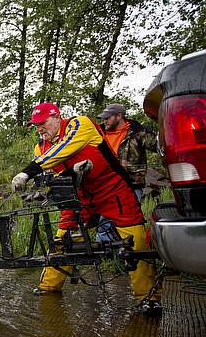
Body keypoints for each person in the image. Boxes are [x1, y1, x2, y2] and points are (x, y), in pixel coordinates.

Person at [11, 102, 162, 315]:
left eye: (42, 123)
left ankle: (149, 298)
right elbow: (54, 175)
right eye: (35, 125)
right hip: (78, 197)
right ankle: (48, 288)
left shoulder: (80, 125)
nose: (39, 129)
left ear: (56, 117)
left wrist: (27, 172)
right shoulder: (40, 147)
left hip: (112, 190)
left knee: (135, 242)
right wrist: (71, 173)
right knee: (61, 240)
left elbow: (63, 150)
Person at [96, 103, 158, 203]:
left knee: (132, 216)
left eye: (108, 118)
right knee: (105, 218)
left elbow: (159, 146)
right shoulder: (98, 133)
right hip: (104, 185)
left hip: (131, 185)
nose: (105, 121)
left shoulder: (137, 131)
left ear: (119, 116)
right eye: (104, 118)